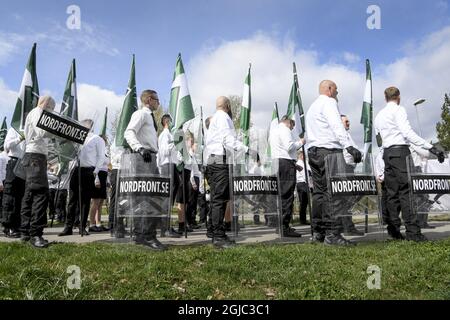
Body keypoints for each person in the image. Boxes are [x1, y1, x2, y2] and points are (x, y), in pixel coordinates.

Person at [374, 86, 444, 242]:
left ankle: (393, 231)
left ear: (385, 98)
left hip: (387, 154)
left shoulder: (378, 116)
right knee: (407, 192)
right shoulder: (399, 110)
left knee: (392, 194)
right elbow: (407, 133)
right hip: (400, 152)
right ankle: (413, 232)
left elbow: (379, 140)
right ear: (398, 97)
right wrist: (430, 147)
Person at [305, 80, 362, 246]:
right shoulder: (329, 102)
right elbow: (337, 125)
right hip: (329, 152)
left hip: (314, 152)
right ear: (329, 89)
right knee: (334, 193)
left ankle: (318, 232)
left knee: (319, 194)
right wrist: (349, 146)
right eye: (336, 90)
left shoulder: (312, 108)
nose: (337, 93)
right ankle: (333, 234)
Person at [204, 96, 257, 248]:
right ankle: (218, 236)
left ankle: (216, 233)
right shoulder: (223, 117)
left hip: (214, 160)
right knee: (219, 200)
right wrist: (248, 150)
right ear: (227, 105)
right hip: (220, 161)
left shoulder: (214, 119)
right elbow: (228, 140)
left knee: (217, 199)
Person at [124, 89, 166, 251]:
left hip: (150, 158)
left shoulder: (149, 116)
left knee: (146, 197)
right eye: (156, 99)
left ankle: (140, 234)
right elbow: (128, 132)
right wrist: (140, 148)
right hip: (144, 158)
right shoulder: (141, 114)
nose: (158, 102)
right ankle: (147, 235)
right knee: (148, 197)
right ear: (149, 99)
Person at [20, 96, 57, 248]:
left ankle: (26, 232)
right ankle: (36, 235)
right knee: (40, 193)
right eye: (52, 109)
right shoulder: (38, 113)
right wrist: (58, 131)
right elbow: (42, 132)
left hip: (35, 156)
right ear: (47, 105)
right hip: (35, 156)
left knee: (30, 194)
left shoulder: (36, 113)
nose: (51, 112)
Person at [59, 119, 105, 236]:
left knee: (85, 200)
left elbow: (101, 157)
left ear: (90, 126)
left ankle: (82, 227)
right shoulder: (77, 138)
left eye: (84, 126)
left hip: (89, 170)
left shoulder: (97, 139)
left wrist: (96, 171)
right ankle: (68, 227)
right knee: (72, 199)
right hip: (76, 169)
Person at [270, 115, 305, 237]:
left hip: (277, 163)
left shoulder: (274, 131)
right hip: (285, 164)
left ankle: (280, 225)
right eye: (292, 126)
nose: (292, 129)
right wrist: (301, 142)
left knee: (281, 196)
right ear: (288, 122)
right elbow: (289, 147)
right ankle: (284, 227)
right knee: (287, 196)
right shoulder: (284, 129)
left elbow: (281, 151)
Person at [157, 114, 182, 237]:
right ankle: (164, 228)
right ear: (166, 122)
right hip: (166, 166)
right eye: (171, 121)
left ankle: (168, 225)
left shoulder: (170, 135)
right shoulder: (164, 135)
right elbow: (164, 151)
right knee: (167, 196)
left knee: (172, 193)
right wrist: (175, 142)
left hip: (173, 165)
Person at [339, 115, 364, 236]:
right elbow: (347, 153)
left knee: (353, 195)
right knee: (347, 197)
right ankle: (347, 226)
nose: (349, 123)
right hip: (344, 168)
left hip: (350, 168)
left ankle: (346, 224)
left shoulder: (348, 135)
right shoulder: (341, 135)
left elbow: (357, 150)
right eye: (346, 121)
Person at [1, 127, 25, 238]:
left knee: (21, 196)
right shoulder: (14, 128)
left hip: (24, 163)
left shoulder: (30, 129)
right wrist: (19, 138)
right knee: (10, 196)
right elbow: (6, 146)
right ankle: (8, 226)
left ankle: (17, 225)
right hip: (14, 161)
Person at [89, 136, 110, 232]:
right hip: (98, 175)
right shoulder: (96, 152)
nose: (105, 142)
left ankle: (98, 223)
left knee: (101, 202)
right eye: (104, 140)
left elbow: (107, 166)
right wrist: (96, 179)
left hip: (104, 176)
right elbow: (95, 166)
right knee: (95, 201)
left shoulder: (104, 153)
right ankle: (91, 224)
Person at [295, 151, 310, 225]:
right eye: (304, 155)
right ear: (301, 156)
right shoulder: (298, 163)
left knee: (305, 202)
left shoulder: (305, 163)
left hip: (306, 183)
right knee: (303, 202)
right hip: (301, 183)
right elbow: (303, 173)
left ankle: (304, 219)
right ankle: (302, 220)